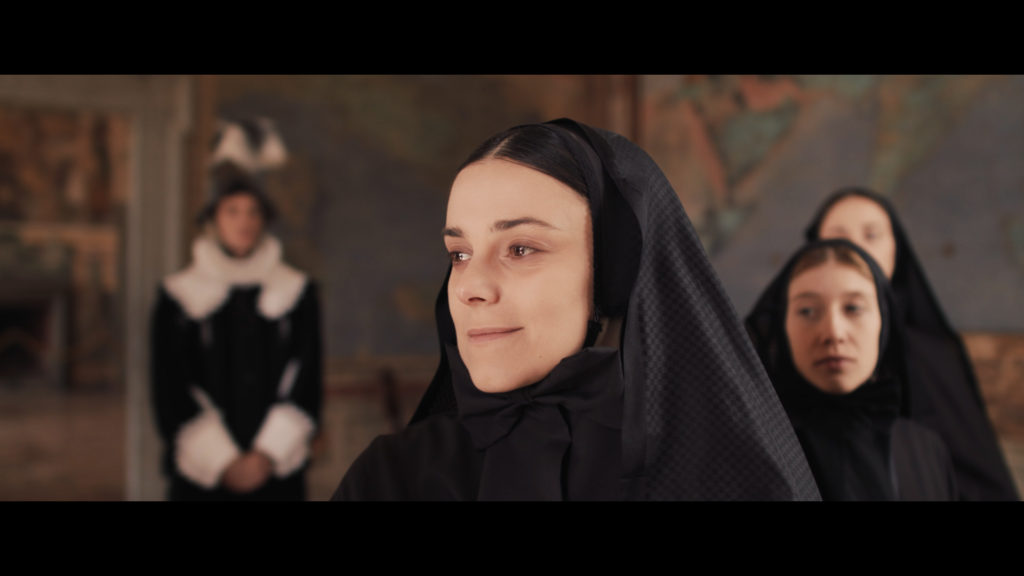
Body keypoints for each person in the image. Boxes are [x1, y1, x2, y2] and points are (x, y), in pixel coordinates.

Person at [332, 118, 820, 501]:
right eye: (459, 254)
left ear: (612, 270)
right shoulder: (391, 476)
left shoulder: (717, 475)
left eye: (520, 248)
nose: (471, 288)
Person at [804, 187, 1018, 501]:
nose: (856, 249)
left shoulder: (933, 355)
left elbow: (977, 478)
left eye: (872, 235)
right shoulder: (784, 351)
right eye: (838, 237)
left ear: (896, 249)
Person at [150, 118, 323, 501]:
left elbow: (306, 378)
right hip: (203, 477)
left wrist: (265, 455)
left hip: (276, 473)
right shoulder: (178, 295)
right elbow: (169, 387)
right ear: (213, 218)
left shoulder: (296, 291)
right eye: (232, 211)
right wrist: (224, 461)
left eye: (253, 212)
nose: (244, 222)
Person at [745, 238, 957, 500]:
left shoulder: (925, 450)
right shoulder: (752, 451)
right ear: (781, 326)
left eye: (853, 308)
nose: (834, 333)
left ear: (884, 321)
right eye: (807, 311)